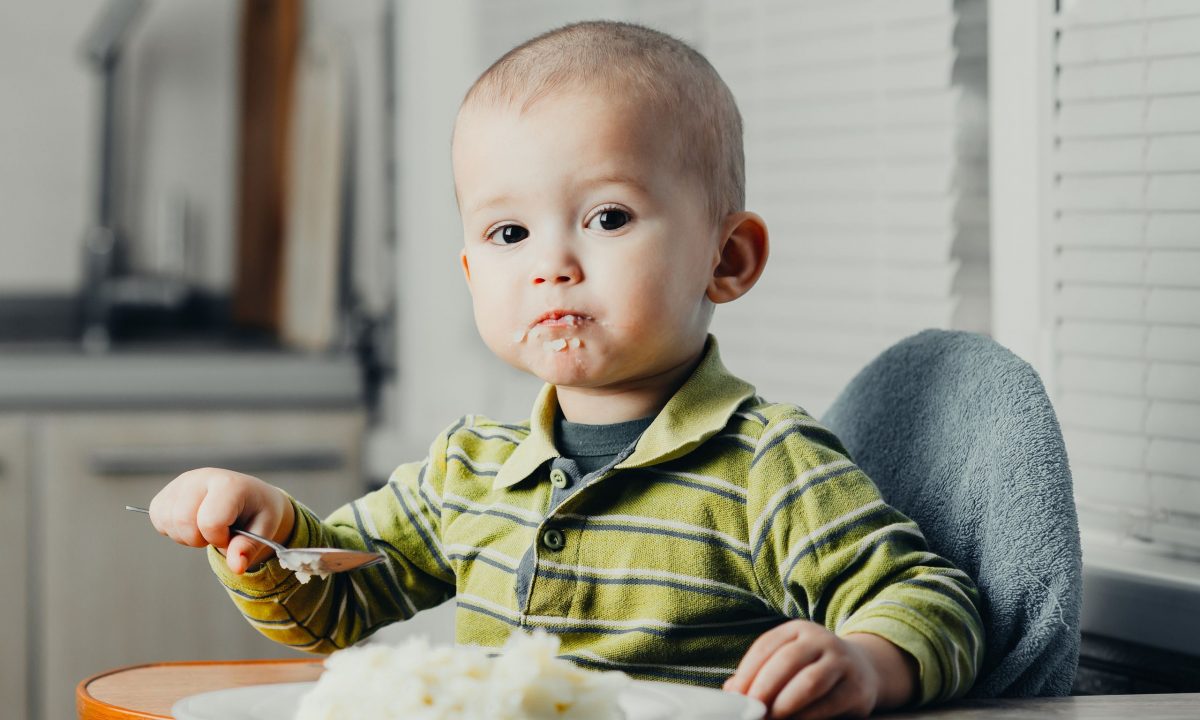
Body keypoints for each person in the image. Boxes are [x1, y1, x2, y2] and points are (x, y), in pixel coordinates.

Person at [147, 20, 983, 719]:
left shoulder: (769, 463)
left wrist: (866, 662)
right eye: (509, 234)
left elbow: (929, 597)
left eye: (608, 217)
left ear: (726, 258)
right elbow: (336, 604)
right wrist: (266, 532)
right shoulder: (466, 470)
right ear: (471, 274)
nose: (551, 265)